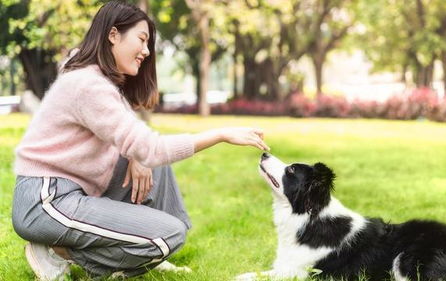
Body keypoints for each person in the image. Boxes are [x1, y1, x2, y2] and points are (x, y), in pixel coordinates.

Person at [11, 1, 269, 280]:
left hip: (73, 193)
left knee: (154, 167)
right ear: (113, 35)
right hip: (47, 202)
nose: (146, 51)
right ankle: (60, 253)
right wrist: (220, 134)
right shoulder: (87, 84)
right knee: (169, 233)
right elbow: (152, 148)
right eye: (142, 39)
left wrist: (136, 156)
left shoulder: (92, 74)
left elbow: (133, 138)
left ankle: (149, 252)